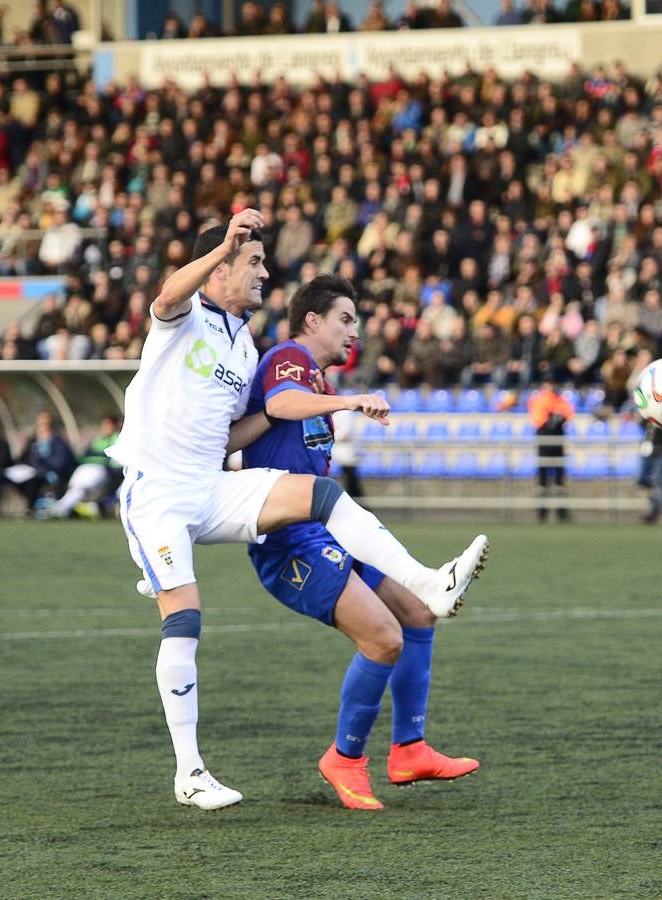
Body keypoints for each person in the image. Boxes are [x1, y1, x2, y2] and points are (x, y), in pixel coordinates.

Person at [111, 210, 488, 811]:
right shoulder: (183, 319)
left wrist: (306, 403)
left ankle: (427, 584)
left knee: (320, 495)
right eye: (252, 261)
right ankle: (190, 771)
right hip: (158, 491)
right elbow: (166, 294)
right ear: (220, 267)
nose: (264, 272)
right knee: (184, 620)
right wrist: (224, 245)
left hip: (210, 484)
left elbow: (233, 435)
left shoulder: (244, 345)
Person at [241, 274, 479, 811]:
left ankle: (409, 749)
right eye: (346, 320)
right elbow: (279, 405)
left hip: (322, 532)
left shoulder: (318, 383)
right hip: (288, 544)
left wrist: (334, 400)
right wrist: (349, 402)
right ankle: (344, 759)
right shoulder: (289, 356)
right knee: (383, 638)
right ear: (312, 321)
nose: (356, 332)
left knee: (419, 615)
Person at [52, 414, 122, 518]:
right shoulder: (97, 439)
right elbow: (86, 455)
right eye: (104, 425)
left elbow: (116, 462)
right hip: (85, 467)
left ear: (115, 426)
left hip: (100, 469)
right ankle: (68, 508)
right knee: (76, 488)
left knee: (81, 488)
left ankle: (60, 509)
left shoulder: (118, 438)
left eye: (109, 425)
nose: (105, 428)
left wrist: (111, 471)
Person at [528, 375, 573, 522]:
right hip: (544, 444)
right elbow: (539, 421)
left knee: (559, 479)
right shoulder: (538, 400)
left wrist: (556, 418)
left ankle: (561, 513)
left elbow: (568, 413)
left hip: (558, 444)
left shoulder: (560, 400)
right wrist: (552, 419)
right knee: (543, 479)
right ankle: (542, 513)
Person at [14, 410, 76, 515]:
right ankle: (31, 507)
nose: (43, 425)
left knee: (57, 483)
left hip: (57, 473)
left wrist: (45, 461)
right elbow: (26, 459)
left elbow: (60, 461)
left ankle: (59, 509)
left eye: (46, 422)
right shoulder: (33, 441)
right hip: (37, 474)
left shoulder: (58, 440)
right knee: (29, 482)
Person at [636, 418, 662, 525]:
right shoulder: (647, 413)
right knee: (640, 479)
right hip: (647, 450)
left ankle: (653, 514)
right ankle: (655, 494)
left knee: (658, 482)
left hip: (661, 450)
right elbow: (641, 423)